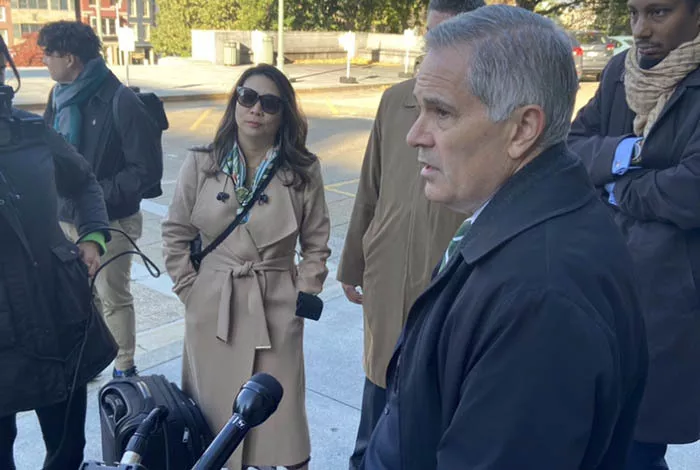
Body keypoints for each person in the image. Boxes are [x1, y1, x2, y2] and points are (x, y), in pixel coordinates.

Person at [362, 6, 649, 470]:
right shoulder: (520, 227)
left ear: (523, 129)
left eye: (441, 112)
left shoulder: (542, 299)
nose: (415, 135)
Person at [162, 64, 331, 470]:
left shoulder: (302, 170)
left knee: (282, 426)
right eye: (247, 97)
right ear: (236, 102)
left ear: (283, 114)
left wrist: (301, 296)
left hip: (275, 309)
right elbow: (175, 233)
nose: (256, 109)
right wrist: (190, 290)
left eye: (269, 103)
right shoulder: (202, 163)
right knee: (213, 423)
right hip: (213, 307)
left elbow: (316, 243)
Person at [337, 2, 484, 467]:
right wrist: (353, 262)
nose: (437, 48)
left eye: (452, 36)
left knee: (430, 410)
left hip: (446, 279)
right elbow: (370, 185)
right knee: (377, 404)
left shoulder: (487, 108)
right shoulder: (395, 100)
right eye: (432, 35)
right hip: (387, 276)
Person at [568, 0, 700, 466]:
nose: (641, 29)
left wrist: (617, 189)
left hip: (667, 299)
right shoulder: (620, 72)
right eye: (634, 13)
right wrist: (631, 153)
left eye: (659, 13)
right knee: (591, 432)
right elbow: (572, 147)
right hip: (599, 282)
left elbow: (692, 190)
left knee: (638, 443)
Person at [0, 36, 116, 469]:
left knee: (68, 449)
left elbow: (84, 182)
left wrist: (92, 237)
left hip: (58, 313)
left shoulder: (32, 131)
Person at [39, 21, 162, 378]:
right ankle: (90, 360)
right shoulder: (58, 97)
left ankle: (124, 368)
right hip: (65, 218)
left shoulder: (121, 100)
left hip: (112, 219)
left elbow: (145, 171)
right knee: (79, 295)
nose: (44, 61)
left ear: (70, 58)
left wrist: (93, 195)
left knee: (112, 296)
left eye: (49, 54)